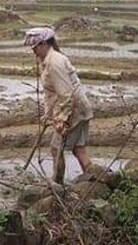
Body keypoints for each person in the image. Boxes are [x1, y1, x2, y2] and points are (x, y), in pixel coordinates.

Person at [24, 26, 93, 184]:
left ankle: (57, 184)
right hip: (80, 107)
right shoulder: (49, 61)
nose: (33, 51)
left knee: (56, 148)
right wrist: (48, 114)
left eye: (34, 47)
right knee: (78, 148)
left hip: (74, 109)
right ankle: (94, 181)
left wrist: (62, 118)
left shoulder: (55, 63)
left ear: (43, 44)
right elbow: (52, 94)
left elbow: (65, 93)